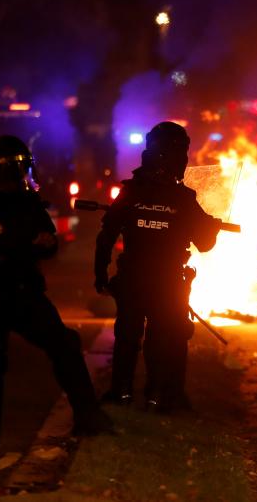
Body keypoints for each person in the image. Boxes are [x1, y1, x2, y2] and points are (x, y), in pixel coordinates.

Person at [0, 136, 112, 459]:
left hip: (24, 293)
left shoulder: (27, 202)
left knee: (64, 344)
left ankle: (88, 416)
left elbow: (49, 240)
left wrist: (45, 242)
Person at [94, 121, 222, 413]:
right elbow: (204, 244)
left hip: (133, 279)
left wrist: (100, 274)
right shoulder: (184, 199)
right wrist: (211, 227)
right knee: (163, 337)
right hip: (168, 282)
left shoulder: (130, 192)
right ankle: (158, 394)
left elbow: (106, 236)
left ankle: (121, 392)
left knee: (127, 336)